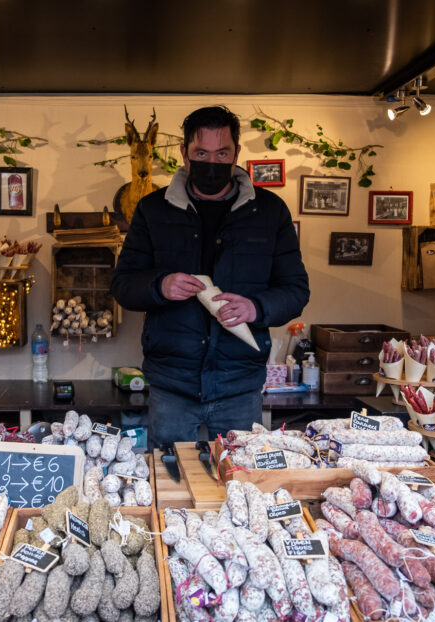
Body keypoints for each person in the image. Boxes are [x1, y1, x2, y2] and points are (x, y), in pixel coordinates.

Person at [111, 105, 309, 446]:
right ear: (185, 153)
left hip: (240, 386)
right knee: (168, 480)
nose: (212, 163)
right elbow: (123, 285)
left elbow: (295, 290)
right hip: (171, 386)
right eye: (202, 153)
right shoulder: (152, 209)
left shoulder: (270, 211)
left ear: (236, 155)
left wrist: (257, 307)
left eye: (222, 153)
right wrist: (160, 286)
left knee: (239, 483)